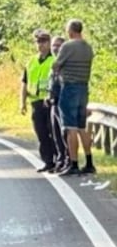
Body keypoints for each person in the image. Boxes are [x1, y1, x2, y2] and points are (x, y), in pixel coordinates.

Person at [53, 19, 96, 176]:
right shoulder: (87, 47)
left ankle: (74, 164)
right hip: (83, 87)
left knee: (70, 128)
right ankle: (89, 162)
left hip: (70, 87)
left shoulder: (68, 45)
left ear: (70, 31)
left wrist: (57, 72)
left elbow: (56, 65)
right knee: (81, 126)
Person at [20, 29, 55, 172]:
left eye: (44, 42)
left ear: (49, 43)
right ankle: (47, 161)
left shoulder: (54, 60)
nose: (40, 45)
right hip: (36, 102)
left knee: (53, 132)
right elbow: (24, 82)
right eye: (38, 42)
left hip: (50, 102)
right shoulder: (32, 61)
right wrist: (22, 102)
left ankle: (57, 159)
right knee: (41, 133)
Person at [47, 36, 69, 172]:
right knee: (56, 133)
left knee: (64, 132)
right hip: (53, 102)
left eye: (59, 45)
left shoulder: (65, 63)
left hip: (63, 102)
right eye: (54, 45)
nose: (56, 48)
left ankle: (67, 159)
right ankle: (60, 160)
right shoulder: (54, 62)